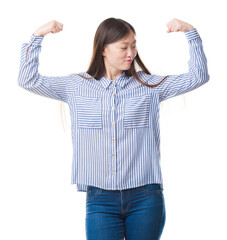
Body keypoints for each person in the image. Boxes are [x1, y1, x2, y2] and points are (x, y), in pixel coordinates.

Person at [17, 17, 210, 240]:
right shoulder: (76, 87)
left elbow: (198, 76)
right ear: (103, 50)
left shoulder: (149, 87)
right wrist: (37, 37)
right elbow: (27, 80)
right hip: (100, 199)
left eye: (134, 46)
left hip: (146, 196)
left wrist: (191, 33)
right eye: (123, 47)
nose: (131, 53)